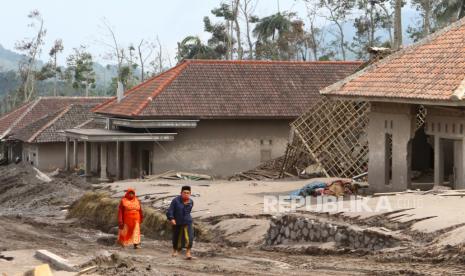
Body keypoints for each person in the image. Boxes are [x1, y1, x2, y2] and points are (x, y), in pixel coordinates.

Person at [166, 185, 194, 260]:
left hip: (187, 222)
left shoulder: (191, 201)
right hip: (177, 222)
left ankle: (188, 252)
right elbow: (170, 211)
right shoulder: (175, 201)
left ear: (190, 193)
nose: (186, 194)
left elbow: (189, 211)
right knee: (176, 237)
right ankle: (175, 250)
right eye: (184, 192)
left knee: (189, 237)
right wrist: (172, 218)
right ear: (181, 193)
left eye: (188, 193)